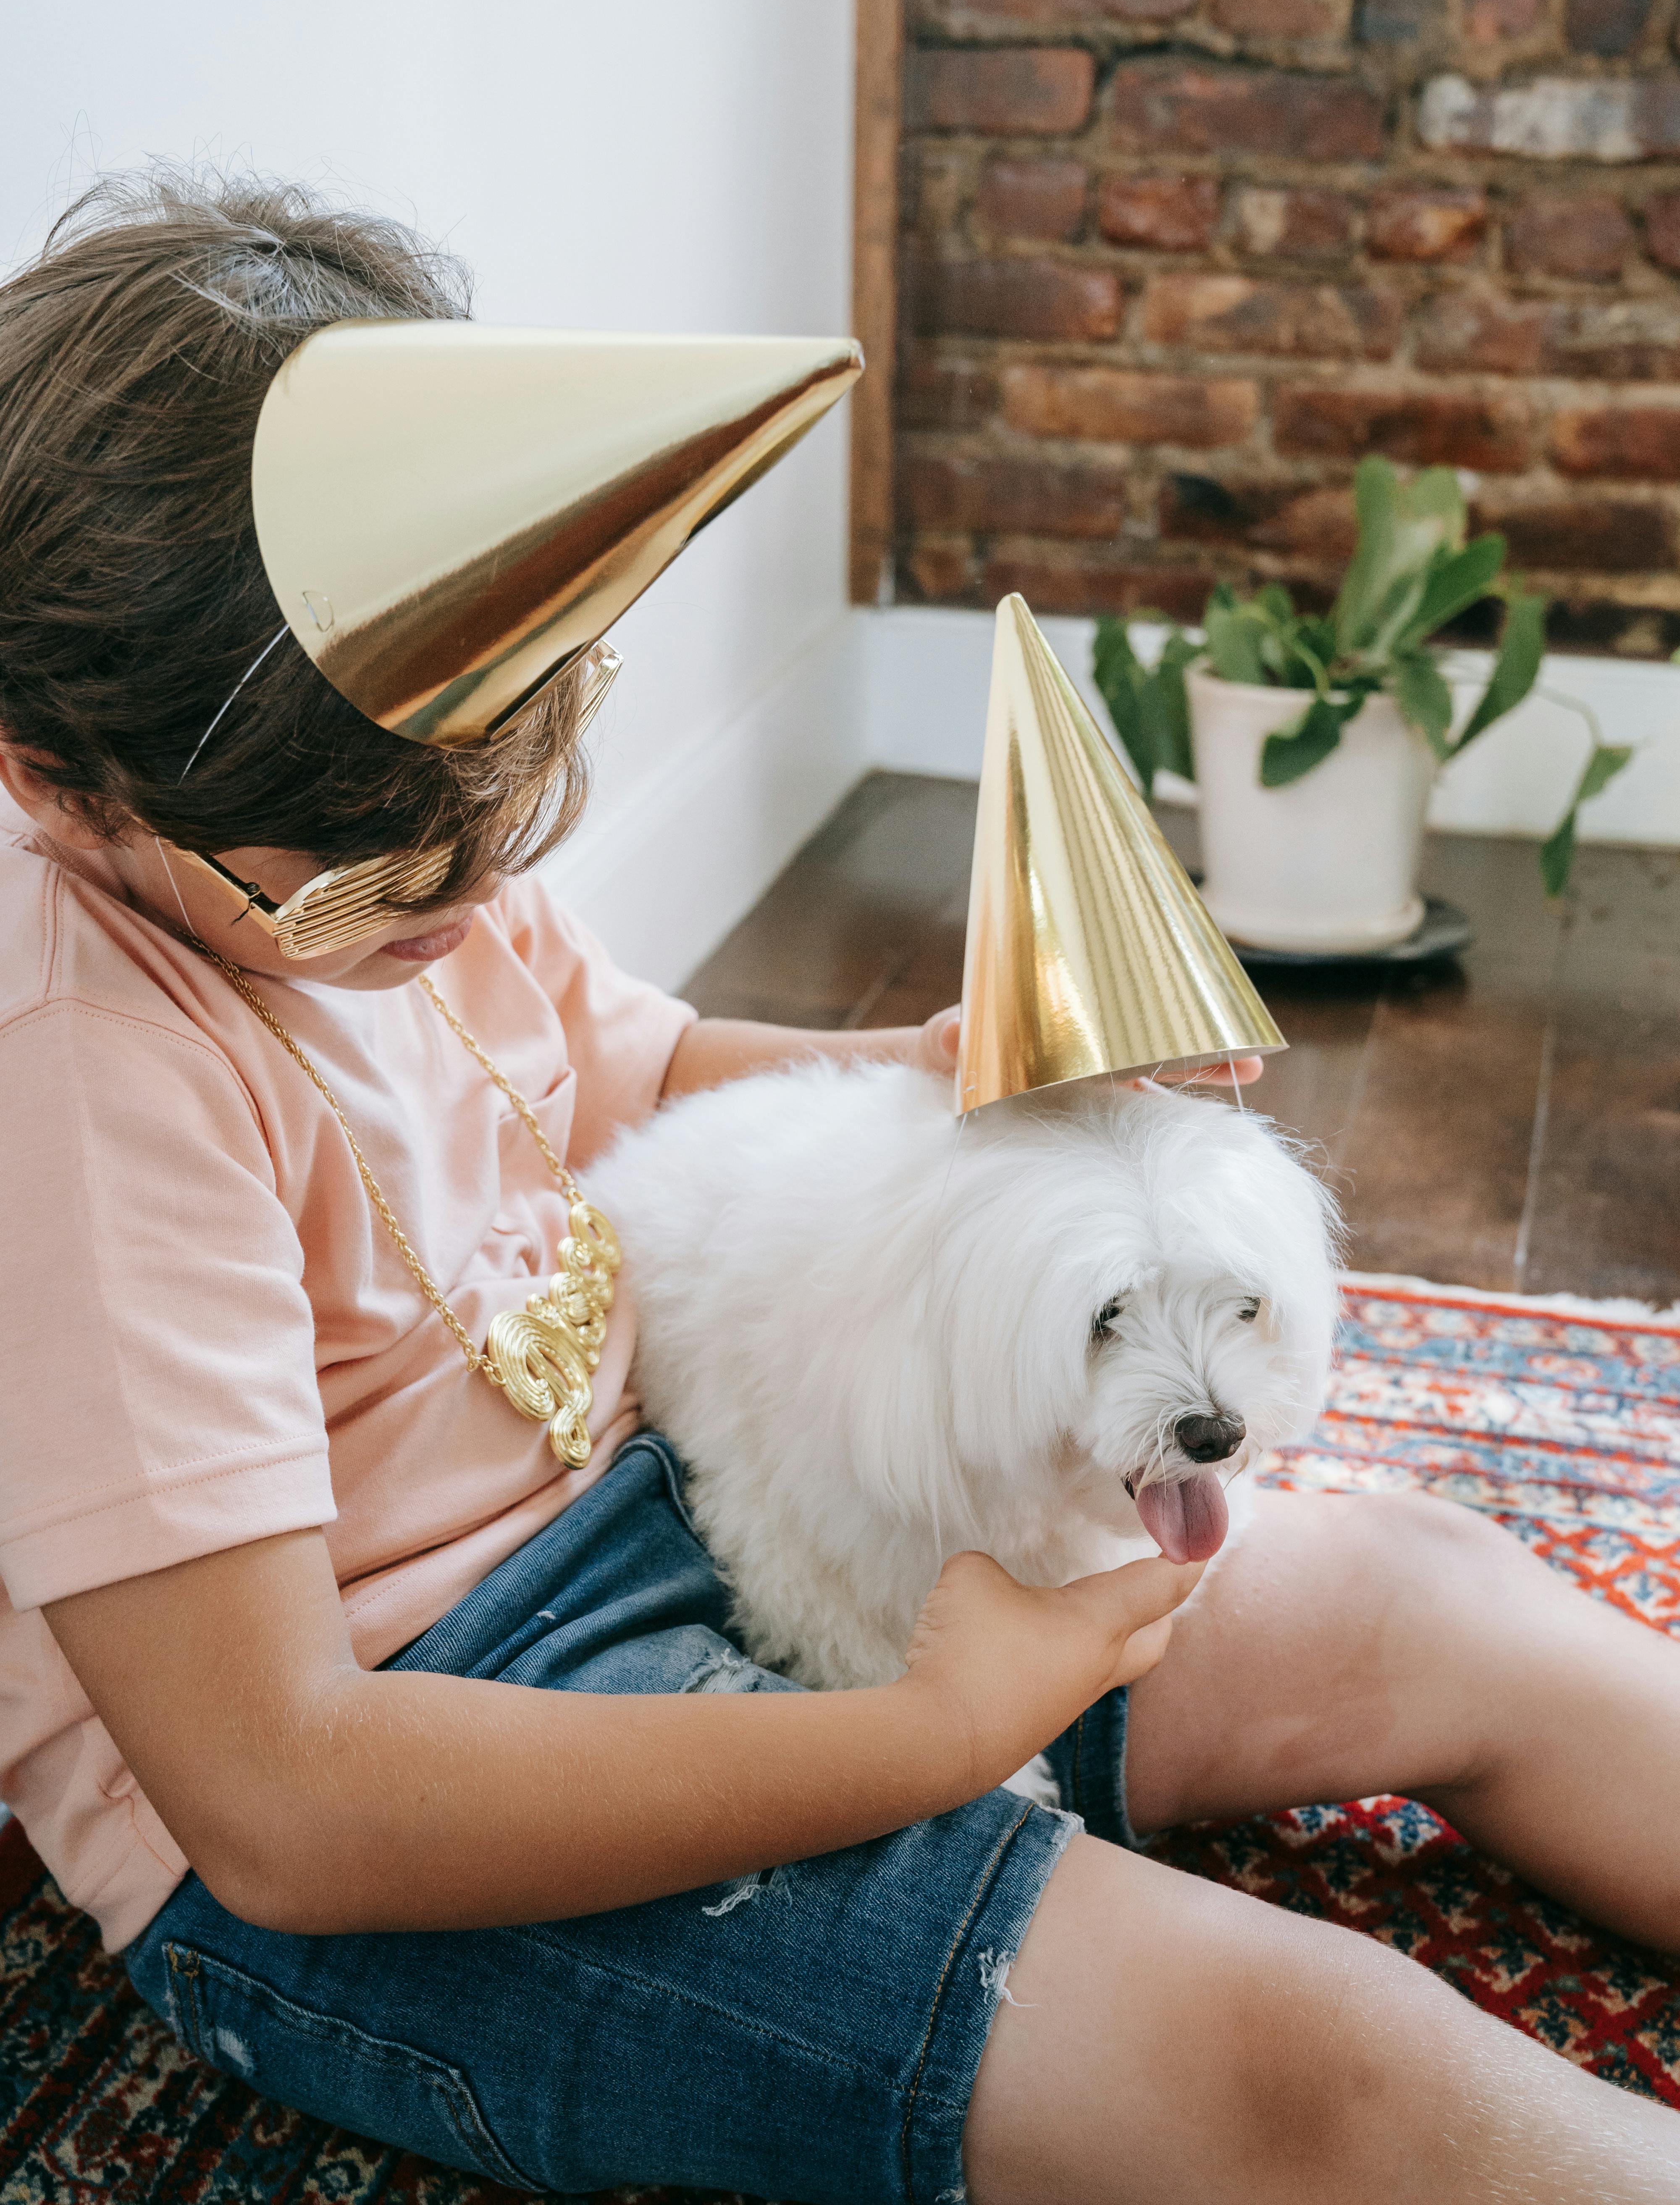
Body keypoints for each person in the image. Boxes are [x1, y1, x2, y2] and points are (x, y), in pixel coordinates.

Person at [0, 173, 1675, 2205]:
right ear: (52, 779)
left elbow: (631, 1068)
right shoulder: (80, 1082)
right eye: (368, 874)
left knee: (1434, 1597)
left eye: (504, 806)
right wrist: (931, 1740)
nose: (458, 898)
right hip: (421, 1760)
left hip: (695, 1503)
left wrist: (949, 1065)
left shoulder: (390, 834)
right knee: (1318, 2068)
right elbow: (287, 1802)